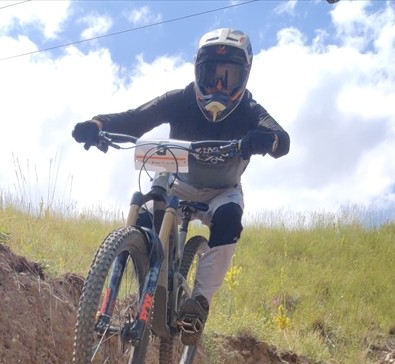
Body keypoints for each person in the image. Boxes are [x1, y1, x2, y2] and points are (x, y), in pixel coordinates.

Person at [72, 29, 289, 344]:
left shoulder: (249, 110)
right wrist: (98, 124)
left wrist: (266, 139)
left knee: (229, 219)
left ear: (244, 78)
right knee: (146, 219)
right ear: (197, 70)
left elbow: (281, 140)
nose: (218, 85)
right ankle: (151, 285)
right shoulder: (181, 99)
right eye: (211, 74)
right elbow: (135, 119)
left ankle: (198, 304)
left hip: (222, 191)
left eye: (228, 77)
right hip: (177, 182)